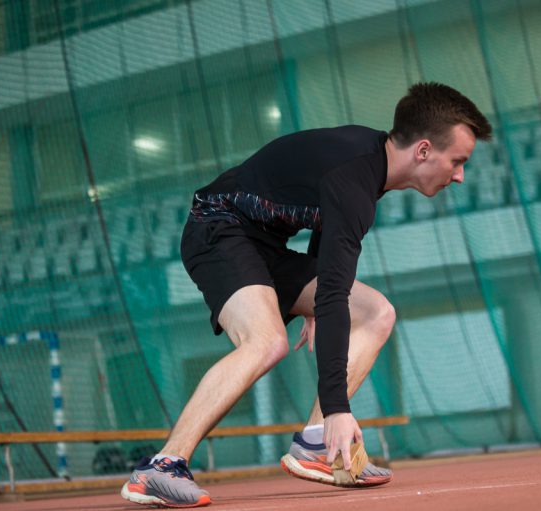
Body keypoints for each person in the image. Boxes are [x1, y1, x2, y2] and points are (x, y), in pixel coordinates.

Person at [120, 82, 493, 507]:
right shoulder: (356, 178)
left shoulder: (371, 164)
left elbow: (325, 227)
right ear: (423, 150)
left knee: (376, 312)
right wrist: (337, 408)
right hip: (218, 226)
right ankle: (162, 466)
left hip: (263, 245)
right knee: (267, 342)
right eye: (458, 161)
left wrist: (313, 298)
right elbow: (333, 292)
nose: (459, 175)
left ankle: (316, 443)